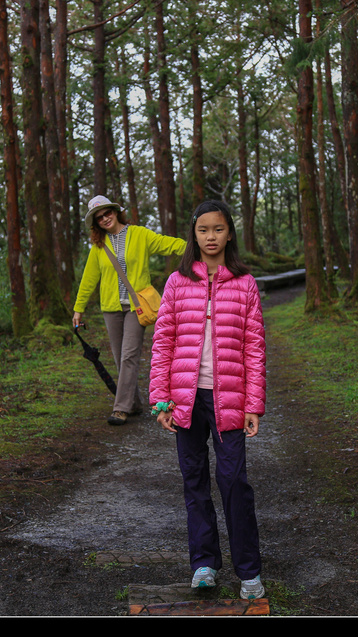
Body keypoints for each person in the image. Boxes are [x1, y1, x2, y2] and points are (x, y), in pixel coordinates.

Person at [149, 199, 267, 600]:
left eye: (218, 229)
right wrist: (161, 400)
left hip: (229, 399)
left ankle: (249, 571)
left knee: (234, 481)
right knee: (194, 480)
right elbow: (163, 343)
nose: (211, 237)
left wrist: (253, 405)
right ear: (194, 235)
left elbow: (254, 347)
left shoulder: (245, 283)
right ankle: (204, 564)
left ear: (229, 233)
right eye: (203, 230)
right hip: (185, 399)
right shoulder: (176, 282)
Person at [73, 195, 186, 426]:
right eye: (99, 217)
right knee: (119, 358)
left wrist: (197, 246)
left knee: (129, 355)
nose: (105, 219)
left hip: (137, 306)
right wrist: (78, 309)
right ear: (96, 223)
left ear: (115, 212)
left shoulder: (139, 234)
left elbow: (168, 244)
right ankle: (133, 403)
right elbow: (88, 279)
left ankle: (121, 408)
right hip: (110, 308)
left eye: (107, 213)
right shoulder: (99, 246)